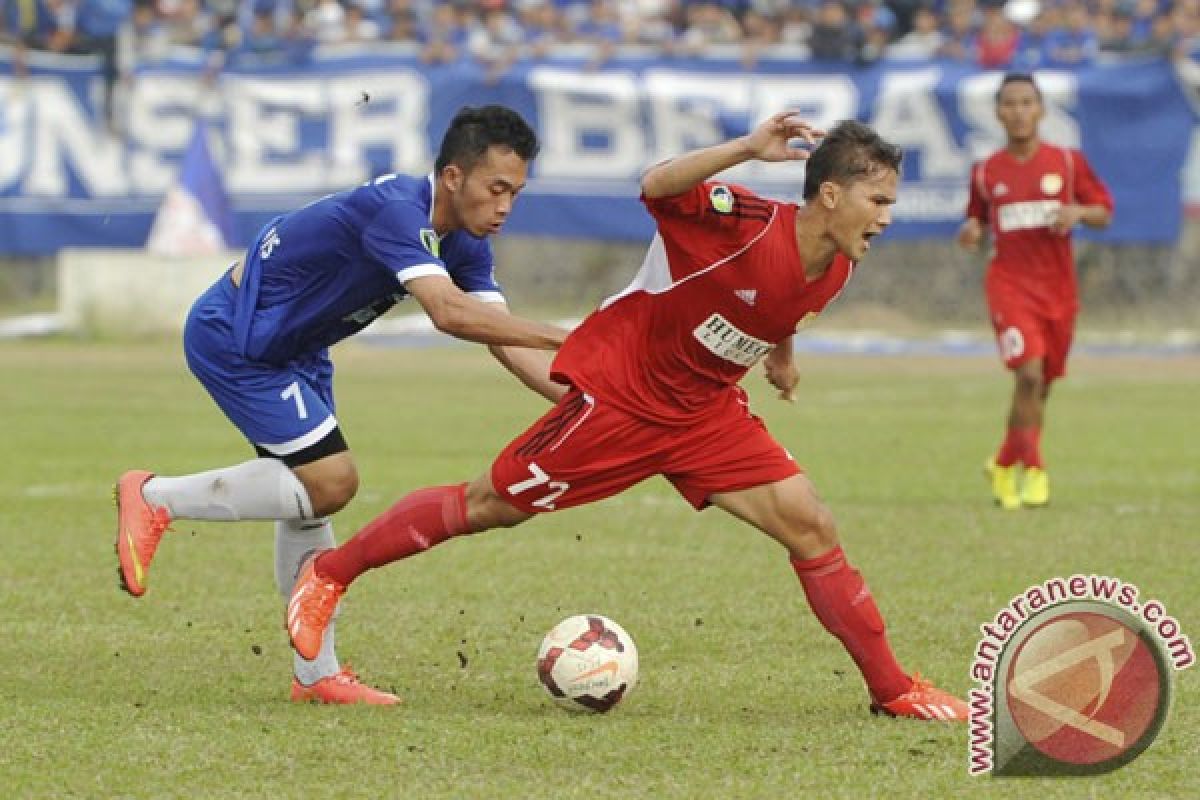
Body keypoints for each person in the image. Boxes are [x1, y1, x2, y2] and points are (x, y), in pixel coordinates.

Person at [286, 114, 970, 721]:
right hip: (623, 397)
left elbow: (780, 304)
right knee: (492, 503)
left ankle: (892, 689)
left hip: (706, 414)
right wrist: (746, 147)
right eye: (877, 200)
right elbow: (657, 186)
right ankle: (330, 573)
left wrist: (780, 360)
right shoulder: (740, 222)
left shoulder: (840, 263)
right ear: (830, 195)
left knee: (812, 525)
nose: (886, 216)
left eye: (890, 202)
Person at [115, 105, 570, 705]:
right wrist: (574, 337)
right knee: (330, 483)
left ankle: (316, 677)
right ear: (454, 177)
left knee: (307, 502)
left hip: (297, 348)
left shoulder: (464, 242)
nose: (507, 206)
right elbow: (451, 314)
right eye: (498, 188)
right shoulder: (397, 212)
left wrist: (593, 396)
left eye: (516, 192)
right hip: (239, 338)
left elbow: (504, 341)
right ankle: (154, 497)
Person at [957, 73, 1113, 510]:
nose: (1019, 111)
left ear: (1041, 110)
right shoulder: (986, 172)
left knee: (1040, 386)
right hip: (1009, 286)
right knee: (1027, 375)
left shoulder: (1066, 163)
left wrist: (1078, 212)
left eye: (1027, 102)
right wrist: (970, 232)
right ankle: (1035, 469)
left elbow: (1104, 212)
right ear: (998, 112)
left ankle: (1005, 461)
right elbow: (977, 221)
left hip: (1059, 291)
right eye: (1010, 103)